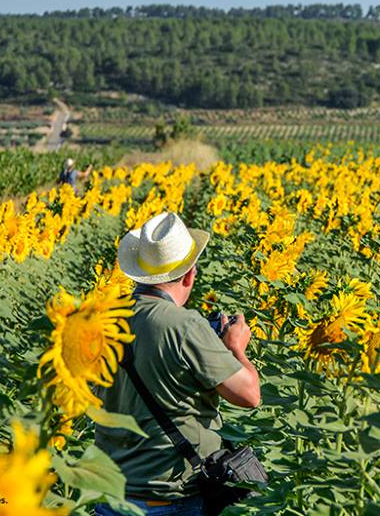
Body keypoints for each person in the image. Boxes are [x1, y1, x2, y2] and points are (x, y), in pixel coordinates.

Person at [94, 212, 260, 516]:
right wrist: (236, 348)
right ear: (189, 276)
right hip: (170, 499)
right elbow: (249, 395)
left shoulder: (101, 321)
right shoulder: (184, 326)